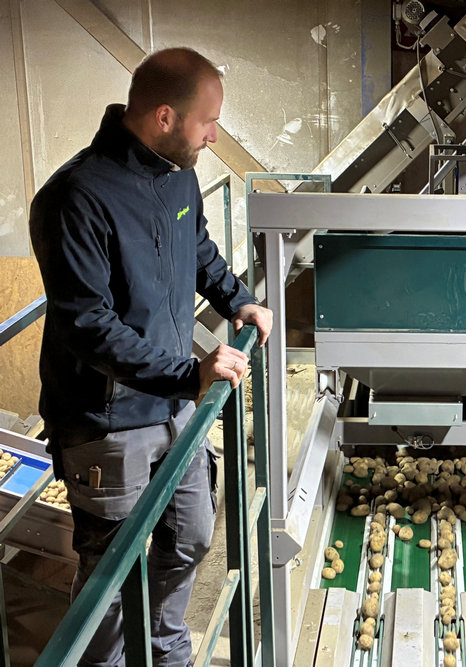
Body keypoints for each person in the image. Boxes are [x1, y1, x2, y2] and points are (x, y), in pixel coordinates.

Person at [29, 47, 272, 666]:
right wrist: (190, 373)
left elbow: (197, 247)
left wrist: (236, 299)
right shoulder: (75, 197)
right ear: (164, 116)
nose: (214, 137)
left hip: (174, 403)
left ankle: (165, 652)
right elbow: (87, 325)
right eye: (207, 122)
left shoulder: (178, 173)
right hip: (108, 419)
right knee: (111, 575)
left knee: (191, 537)